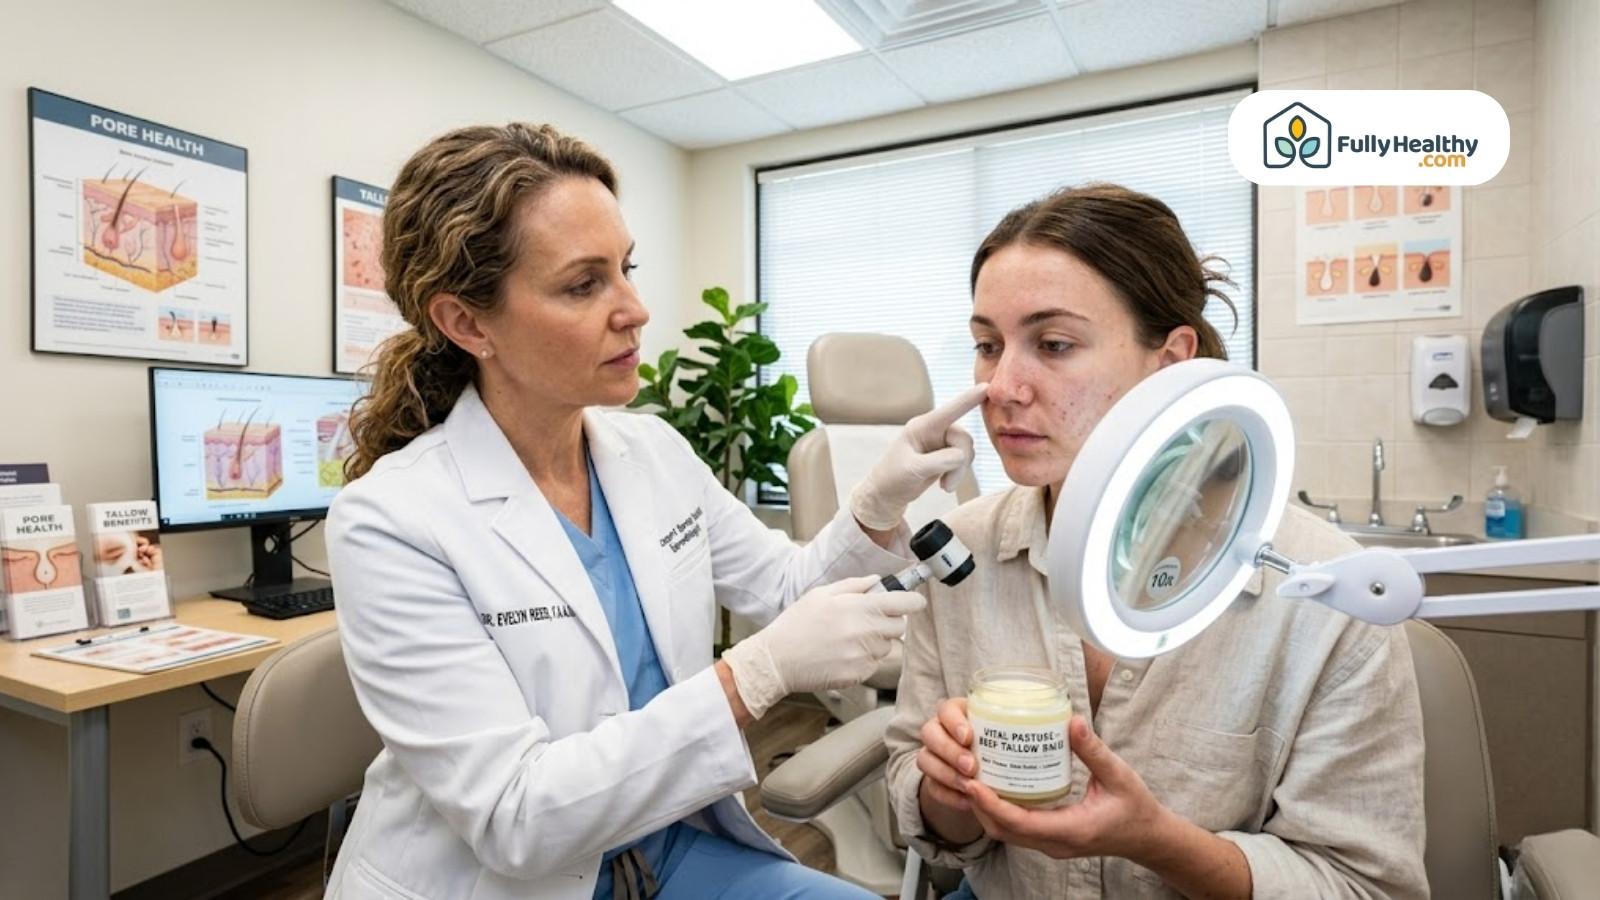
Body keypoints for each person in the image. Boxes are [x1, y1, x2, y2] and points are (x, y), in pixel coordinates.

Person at [324, 122, 985, 900]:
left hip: (667, 847)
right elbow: (515, 818)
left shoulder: (654, 452)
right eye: (583, 284)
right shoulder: (391, 520)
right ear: (468, 323)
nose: (635, 309)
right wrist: (755, 675)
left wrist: (874, 507)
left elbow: (782, 587)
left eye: (626, 270)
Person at [884, 184, 1427, 899]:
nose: (1001, 387)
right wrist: (946, 798)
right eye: (988, 346)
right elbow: (914, 799)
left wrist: (1162, 844)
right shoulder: (961, 554)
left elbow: (1365, 886)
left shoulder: (1328, 594)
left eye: (1053, 344)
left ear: (1172, 360)